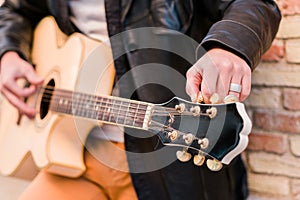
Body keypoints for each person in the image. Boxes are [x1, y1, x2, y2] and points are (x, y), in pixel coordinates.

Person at [0, 0, 281, 200]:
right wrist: (8, 53)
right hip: (75, 152)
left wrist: (228, 46)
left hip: (165, 165)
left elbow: (254, 4)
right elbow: (17, 9)